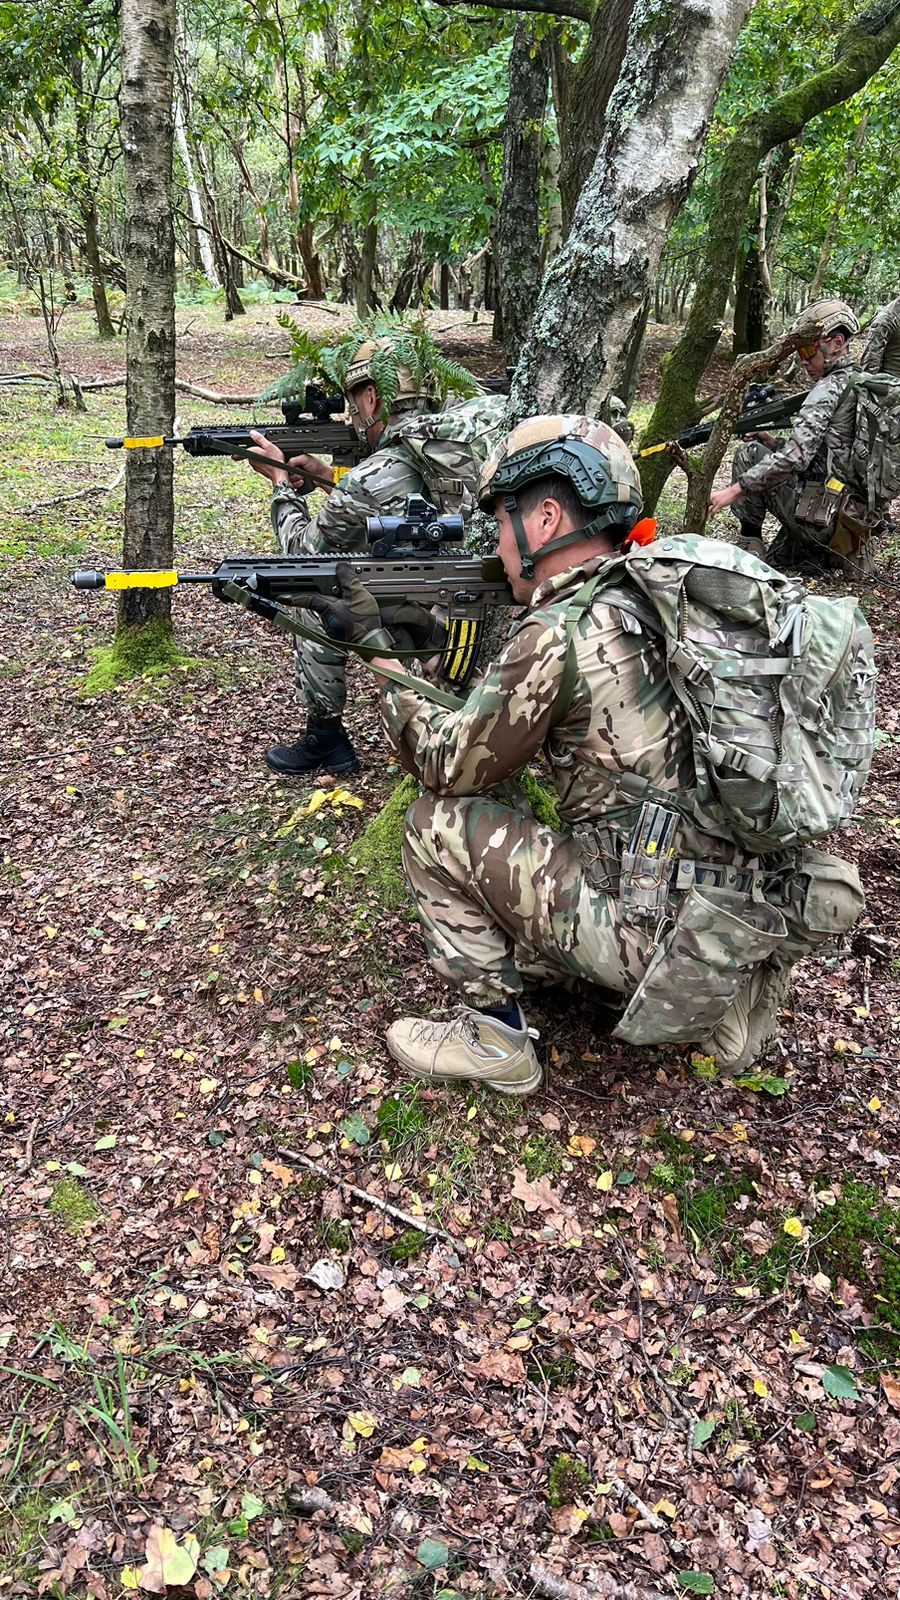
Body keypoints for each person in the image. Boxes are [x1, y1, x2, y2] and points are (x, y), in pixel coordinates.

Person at [311, 417, 799, 1096]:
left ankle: (494, 1041)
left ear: (544, 518)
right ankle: (714, 1004)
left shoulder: (561, 630)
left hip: (647, 923)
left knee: (434, 825)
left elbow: (448, 763)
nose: (498, 543)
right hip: (730, 916)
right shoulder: (658, 596)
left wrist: (386, 661)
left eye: (501, 521)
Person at [243, 336, 506, 777]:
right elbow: (389, 508)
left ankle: (325, 737)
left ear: (373, 395)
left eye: (353, 404)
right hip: (497, 621)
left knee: (318, 594)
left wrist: (278, 483)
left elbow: (301, 553)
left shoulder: (372, 475)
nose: (352, 416)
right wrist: (331, 479)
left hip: (438, 630)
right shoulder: (466, 440)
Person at [709, 298, 861, 572]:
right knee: (780, 559)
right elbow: (825, 454)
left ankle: (749, 547)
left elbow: (796, 458)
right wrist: (771, 441)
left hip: (822, 523)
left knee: (748, 454)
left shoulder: (826, 390)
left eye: (808, 351)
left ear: (837, 343)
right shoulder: (858, 382)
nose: (802, 361)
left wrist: (734, 490)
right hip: (851, 524)